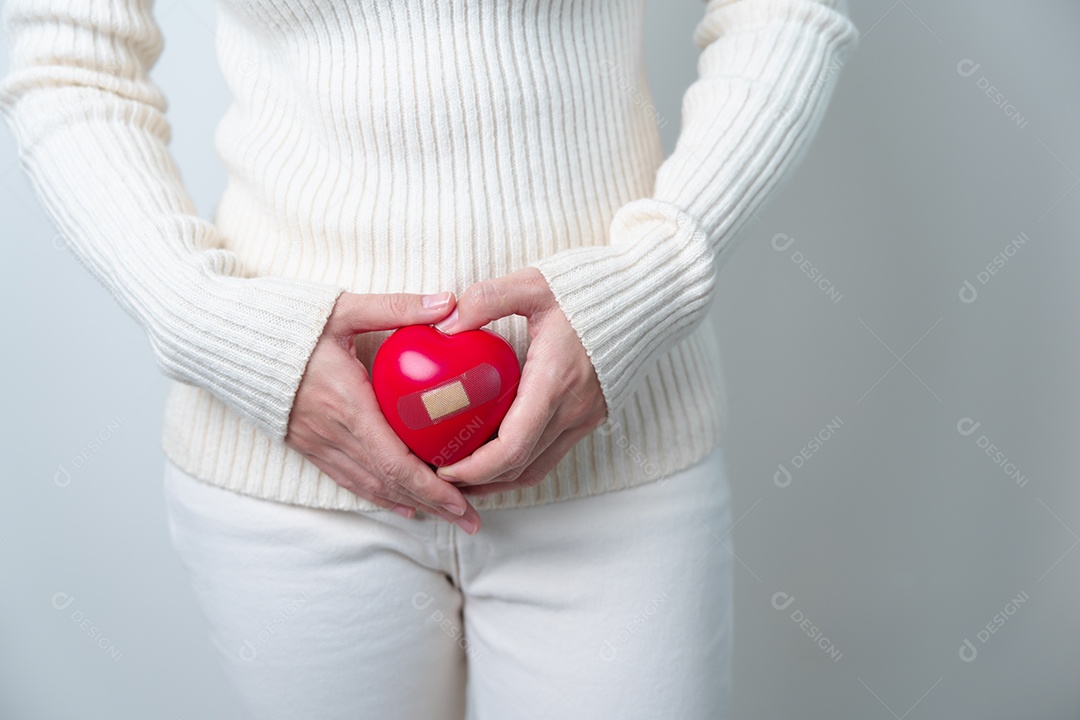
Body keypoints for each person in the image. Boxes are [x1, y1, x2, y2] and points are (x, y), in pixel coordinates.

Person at [0, 0, 858, 717]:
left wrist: (652, 282)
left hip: (618, 456)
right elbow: (71, 61)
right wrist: (217, 328)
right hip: (284, 476)